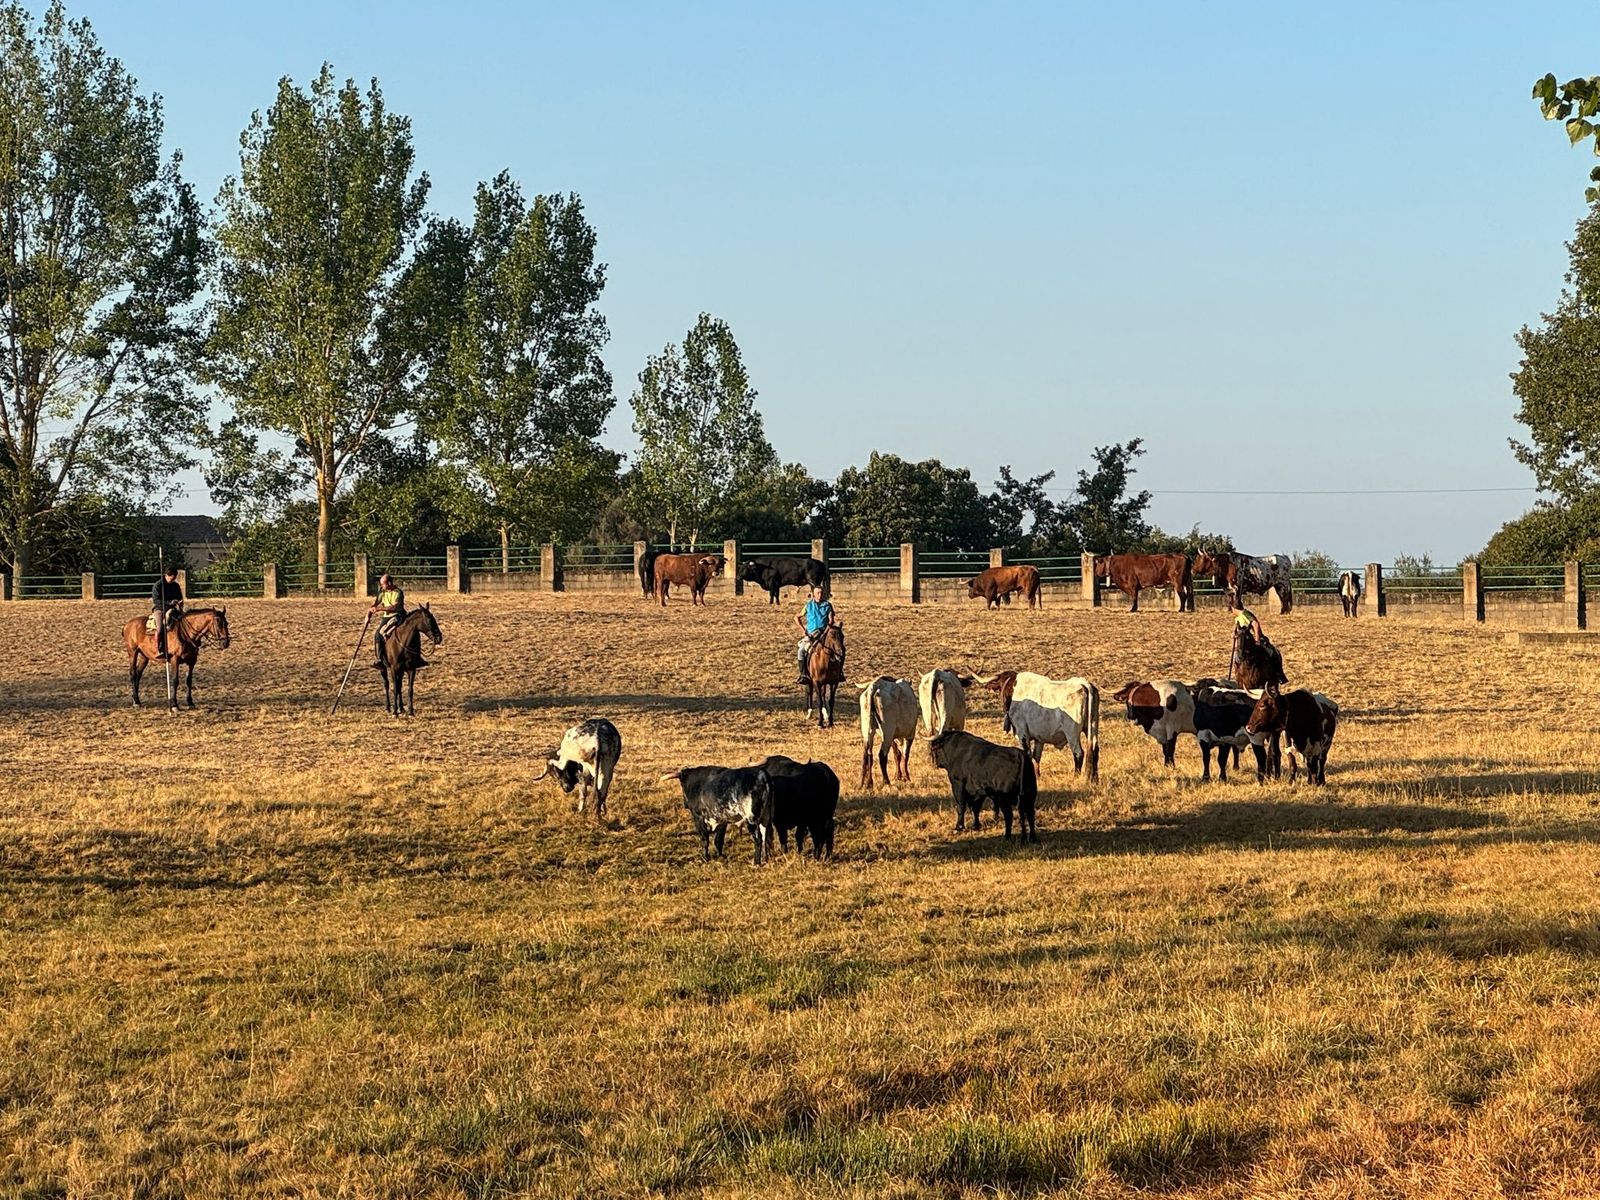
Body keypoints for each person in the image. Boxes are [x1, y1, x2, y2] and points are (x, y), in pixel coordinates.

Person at [794, 584, 842, 683]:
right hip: (811, 634)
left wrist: (827, 629)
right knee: (801, 651)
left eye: (821, 593)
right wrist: (803, 630)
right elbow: (797, 617)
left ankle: (839, 673)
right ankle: (803, 674)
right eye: (818, 593)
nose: (820, 595)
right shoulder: (808, 605)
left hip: (825, 633)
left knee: (839, 649)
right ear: (813, 594)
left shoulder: (828, 605)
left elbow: (831, 620)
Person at [370, 573, 408, 669]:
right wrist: (368, 614)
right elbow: (374, 604)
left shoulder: (398, 592)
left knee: (412, 630)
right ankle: (380, 659)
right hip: (386, 617)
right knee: (377, 635)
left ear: (389, 583)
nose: (381, 586)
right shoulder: (382, 592)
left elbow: (394, 607)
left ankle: (417, 656)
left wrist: (379, 609)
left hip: (397, 616)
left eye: (383, 584)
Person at [150, 564, 185, 661]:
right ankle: (159, 648)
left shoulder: (175, 585)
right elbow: (156, 600)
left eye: (174, 578)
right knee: (160, 628)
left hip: (173, 609)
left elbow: (179, 597)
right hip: (160, 609)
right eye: (171, 578)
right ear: (166, 575)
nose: (172, 580)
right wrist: (169, 603)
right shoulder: (158, 585)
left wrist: (180, 602)